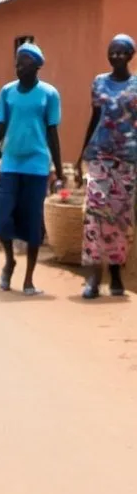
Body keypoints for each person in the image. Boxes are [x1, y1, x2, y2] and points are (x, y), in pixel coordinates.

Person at [0, 43, 64, 296]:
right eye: (16, 63)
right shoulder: (7, 93)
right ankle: (9, 261)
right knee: (2, 219)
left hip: (37, 166)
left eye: (24, 63)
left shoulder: (49, 94)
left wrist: (59, 171)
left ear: (37, 66)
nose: (18, 68)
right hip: (11, 164)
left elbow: (52, 132)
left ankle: (28, 279)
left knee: (33, 223)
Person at [75, 34, 137, 298]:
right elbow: (94, 118)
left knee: (120, 219)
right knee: (94, 214)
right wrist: (80, 156)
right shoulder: (99, 82)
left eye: (123, 52)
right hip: (100, 157)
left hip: (128, 160)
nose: (117, 57)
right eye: (113, 52)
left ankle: (115, 275)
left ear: (131, 55)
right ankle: (93, 277)